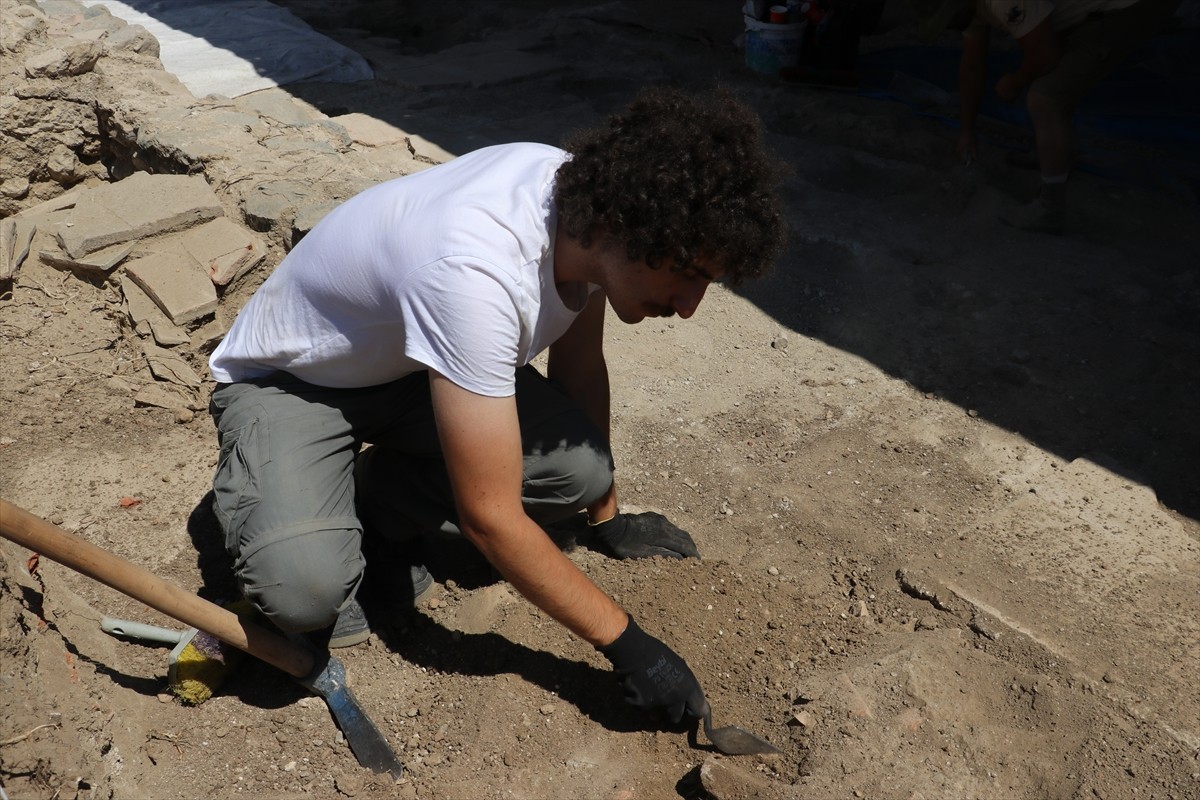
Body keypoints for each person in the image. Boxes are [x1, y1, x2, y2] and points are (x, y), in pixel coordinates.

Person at [205, 86, 787, 725]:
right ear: (624, 232)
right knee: (306, 591)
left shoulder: (589, 213)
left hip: (411, 365)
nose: (688, 306)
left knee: (581, 472)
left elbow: (580, 365)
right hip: (295, 380)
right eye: (687, 276)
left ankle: (375, 498)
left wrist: (606, 518)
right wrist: (630, 646)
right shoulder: (473, 271)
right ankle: (299, 516)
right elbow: (490, 519)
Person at [910, 0, 1181, 233]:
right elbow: (972, 66)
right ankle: (1055, 154)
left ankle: (1049, 209)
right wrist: (966, 130)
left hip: (1129, 7)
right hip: (1095, 11)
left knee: (1045, 97)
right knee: (1052, 74)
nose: (951, 24)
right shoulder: (967, 10)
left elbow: (1046, 55)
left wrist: (1015, 82)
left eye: (948, 17)